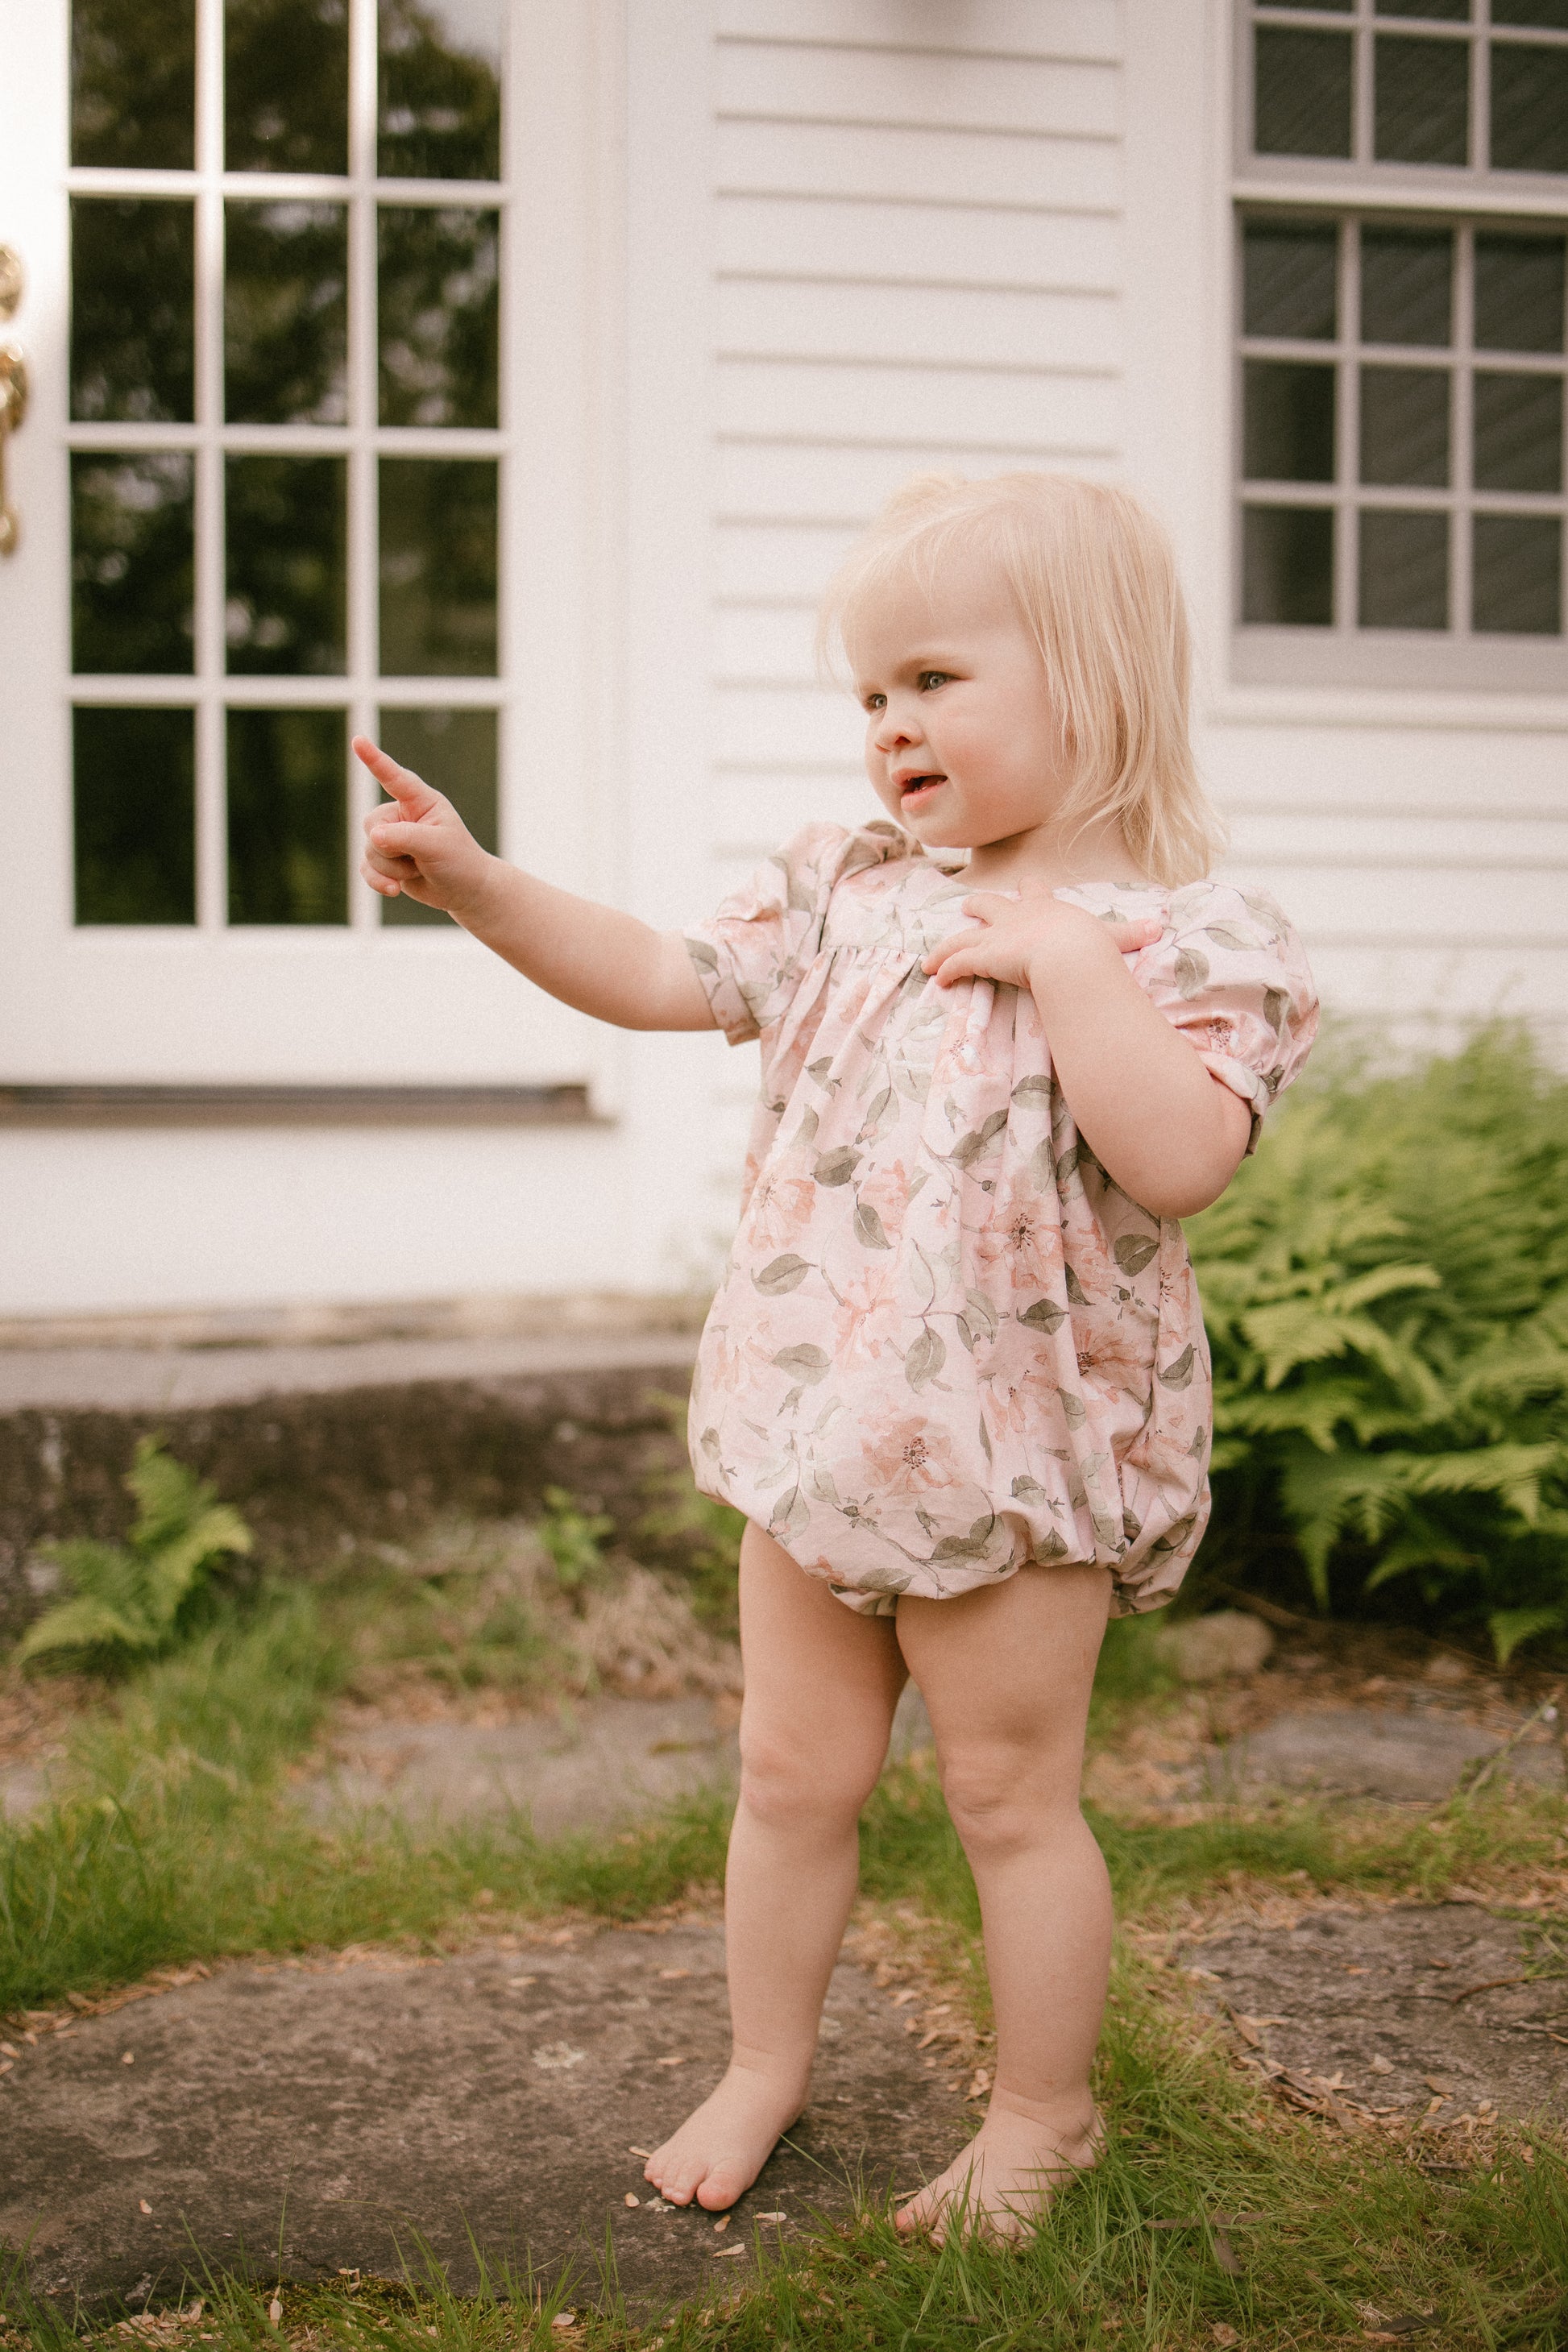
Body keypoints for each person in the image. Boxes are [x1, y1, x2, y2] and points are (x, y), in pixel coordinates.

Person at [355, 471, 1318, 2240]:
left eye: (933, 679)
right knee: (789, 1776)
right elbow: (658, 972)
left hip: (1014, 1466)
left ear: (1091, 678)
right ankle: (762, 2060)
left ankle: (1044, 2114)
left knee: (1008, 1797)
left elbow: (1182, 1157)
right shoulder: (849, 891)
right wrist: (483, 887)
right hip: (816, 1432)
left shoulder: (1186, 940)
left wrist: (1065, 964)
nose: (889, 723)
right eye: (871, 692)